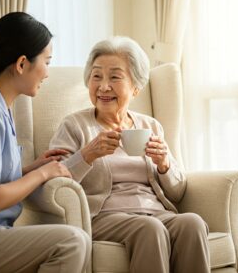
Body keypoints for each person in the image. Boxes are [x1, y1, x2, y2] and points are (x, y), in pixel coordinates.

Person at [49, 36, 210, 273]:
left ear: (135, 86)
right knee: (149, 228)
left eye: (114, 77)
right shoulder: (74, 125)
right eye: (96, 76)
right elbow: (56, 183)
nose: (104, 86)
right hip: (105, 216)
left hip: (155, 211)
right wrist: (88, 155)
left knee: (192, 223)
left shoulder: (150, 126)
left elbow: (177, 191)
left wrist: (164, 164)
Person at [0, 12, 91, 273]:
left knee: (74, 240)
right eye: (46, 62)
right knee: (71, 241)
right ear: (21, 64)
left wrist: (29, 169)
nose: (47, 73)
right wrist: (41, 173)